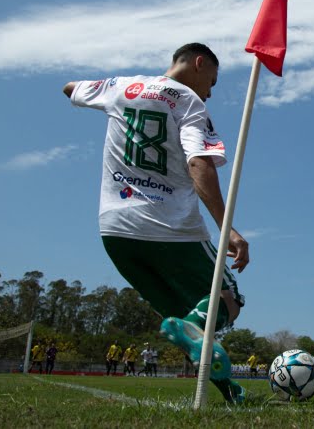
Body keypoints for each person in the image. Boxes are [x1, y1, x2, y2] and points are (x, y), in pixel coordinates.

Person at [62, 43, 250, 403]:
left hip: (115, 230)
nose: (209, 91)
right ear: (198, 63)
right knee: (227, 298)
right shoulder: (190, 102)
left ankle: (230, 393)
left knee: (184, 322)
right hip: (169, 228)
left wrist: (108, 95)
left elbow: (70, 88)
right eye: (211, 81)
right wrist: (230, 229)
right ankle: (199, 333)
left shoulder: (122, 87)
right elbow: (199, 164)